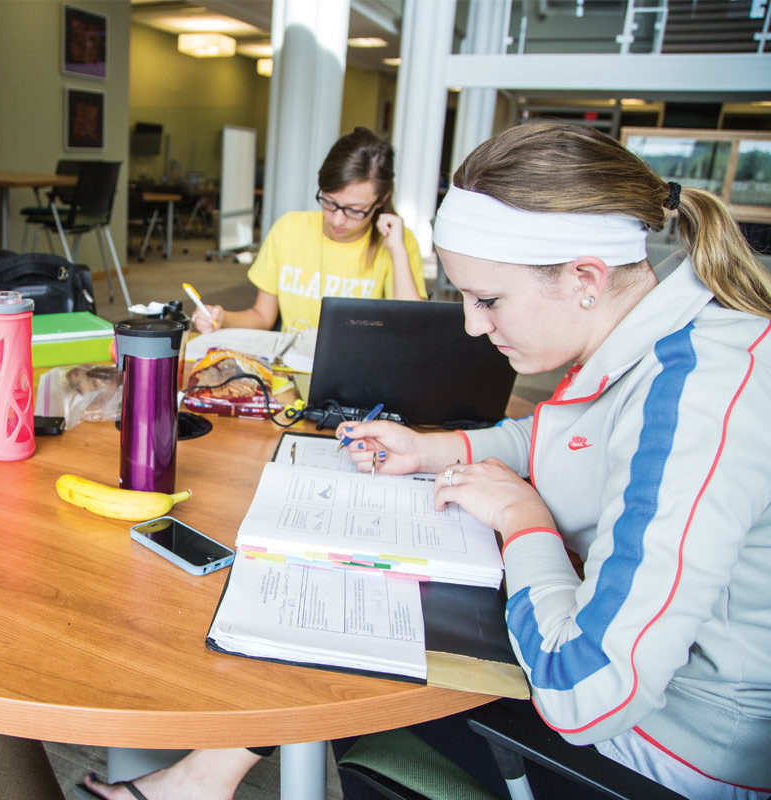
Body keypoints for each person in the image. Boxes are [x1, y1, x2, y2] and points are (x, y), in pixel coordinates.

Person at [85, 121, 771, 800]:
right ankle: (202, 781)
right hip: (625, 674)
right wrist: (430, 447)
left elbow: (585, 691)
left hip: (657, 752)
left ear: (585, 276)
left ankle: (200, 782)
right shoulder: (651, 335)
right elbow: (560, 442)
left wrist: (523, 520)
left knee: (336, 632)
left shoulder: (697, 399)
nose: (473, 325)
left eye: (488, 299)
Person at [190, 127, 426, 334]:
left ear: (382, 199)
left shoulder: (397, 243)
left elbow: (412, 329)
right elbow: (262, 317)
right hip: (290, 371)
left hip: (358, 376)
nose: (338, 219)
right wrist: (222, 319)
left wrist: (397, 252)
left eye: (355, 210)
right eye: (329, 202)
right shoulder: (289, 229)